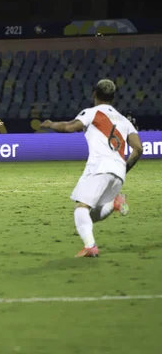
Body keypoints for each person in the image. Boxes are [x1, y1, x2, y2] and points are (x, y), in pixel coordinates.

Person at [40, 79, 142, 258]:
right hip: (118, 171)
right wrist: (124, 168)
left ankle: (90, 247)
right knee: (92, 214)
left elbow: (69, 127)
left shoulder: (92, 113)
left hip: (100, 167)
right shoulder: (125, 121)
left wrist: (50, 125)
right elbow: (138, 148)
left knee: (81, 209)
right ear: (113, 97)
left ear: (94, 93)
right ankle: (115, 203)